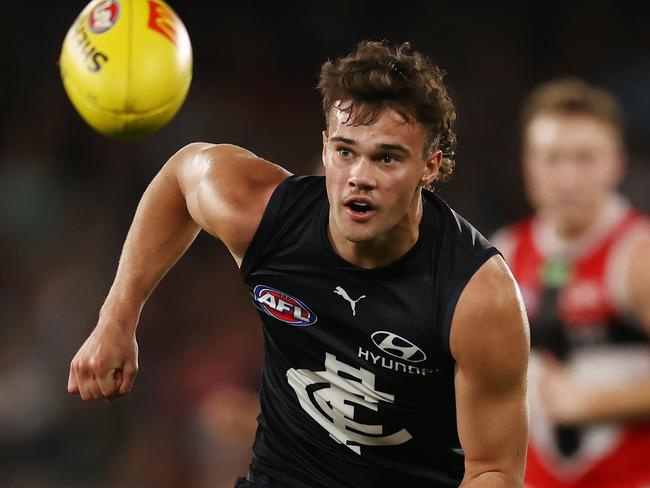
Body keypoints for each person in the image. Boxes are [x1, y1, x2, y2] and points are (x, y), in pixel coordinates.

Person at [68, 41, 530, 487]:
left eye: (387, 158)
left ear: (430, 167)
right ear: (326, 147)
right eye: (346, 152)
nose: (359, 178)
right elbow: (182, 174)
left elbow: (493, 471)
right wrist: (117, 318)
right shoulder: (264, 214)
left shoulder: (477, 295)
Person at [492, 79, 650, 488]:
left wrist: (592, 402)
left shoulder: (638, 254)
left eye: (584, 158)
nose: (567, 176)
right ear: (529, 163)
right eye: (552, 158)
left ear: (616, 162)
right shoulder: (504, 251)